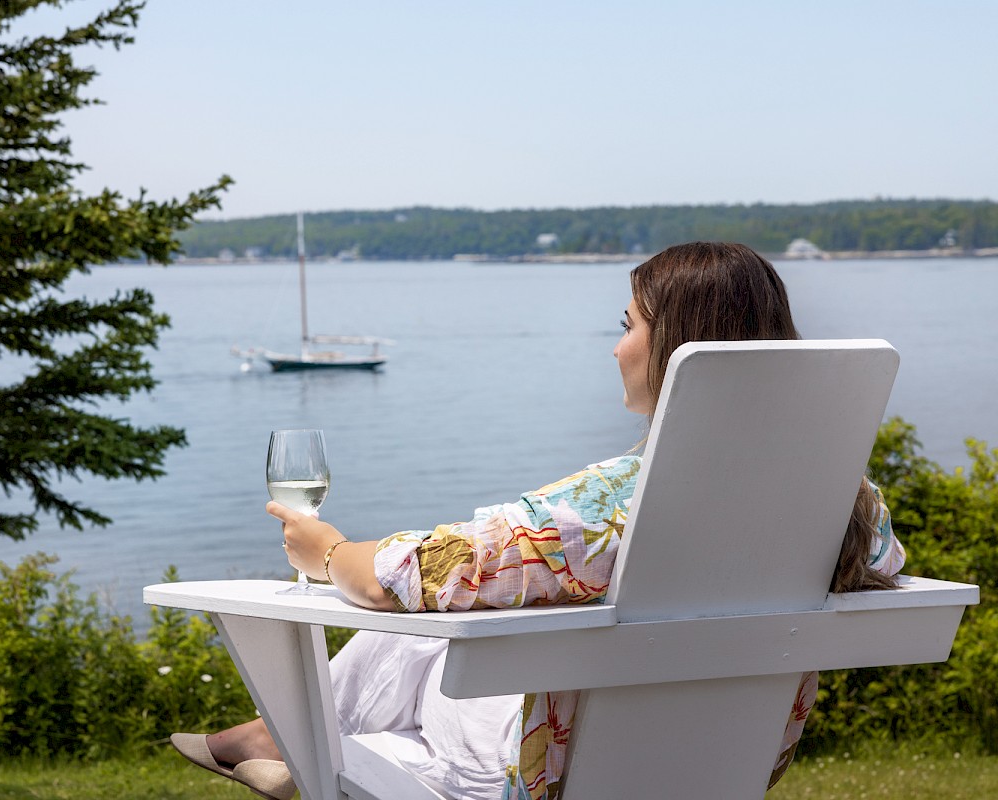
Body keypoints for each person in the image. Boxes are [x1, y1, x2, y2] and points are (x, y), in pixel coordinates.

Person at [169, 242, 906, 800]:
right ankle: (278, 740)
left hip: (551, 775)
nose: (616, 348)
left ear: (679, 347)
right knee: (458, 631)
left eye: (628, 327)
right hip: (723, 766)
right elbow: (888, 570)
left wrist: (327, 550)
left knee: (414, 628)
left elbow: (415, 572)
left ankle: (283, 739)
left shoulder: (610, 508)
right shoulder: (847, 503)